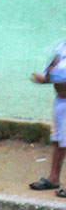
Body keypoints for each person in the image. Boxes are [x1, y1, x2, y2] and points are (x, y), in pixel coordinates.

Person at [28, 36, 66, 196]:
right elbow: (55, 64)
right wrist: (45, 77)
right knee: (58, 141)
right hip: (61, 103)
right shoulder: (63, 45)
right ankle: (53, 178)